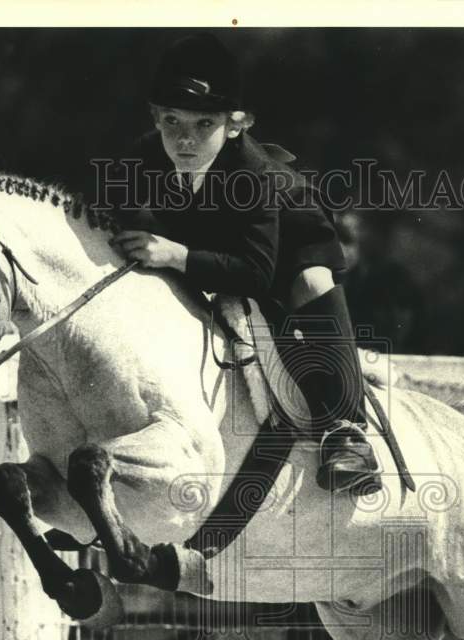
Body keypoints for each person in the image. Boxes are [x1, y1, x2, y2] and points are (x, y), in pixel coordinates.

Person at [104, 33, 380, 494]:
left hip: (289, 242)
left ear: (235, 125)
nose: (184, 139)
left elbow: (256, 274)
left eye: (203, 123)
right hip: (212, 240)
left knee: (309, 282)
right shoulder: (142, 157)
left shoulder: (255, 175)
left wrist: (175, 254)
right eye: (171, 121)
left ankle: (348, 433)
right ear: (155, 118)